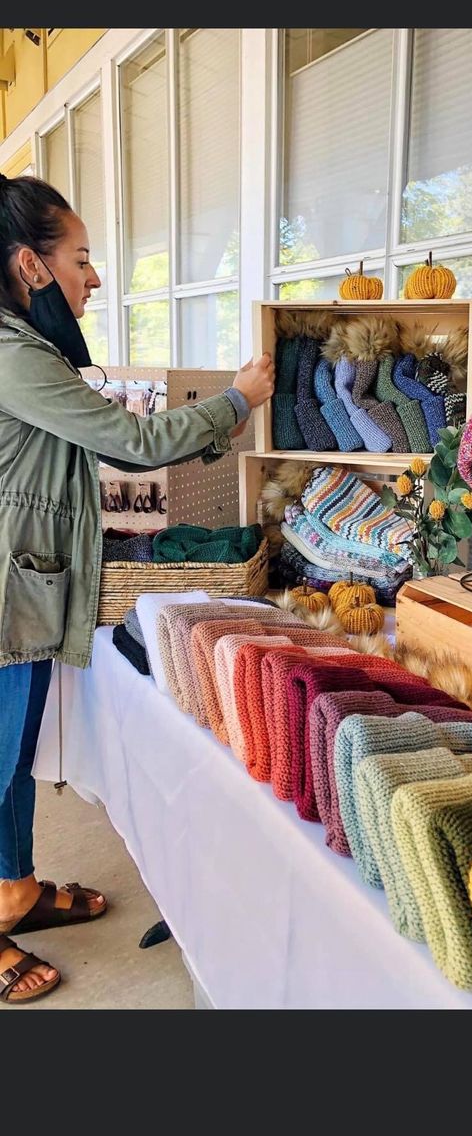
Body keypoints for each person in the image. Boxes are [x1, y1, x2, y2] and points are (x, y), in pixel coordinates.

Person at [0, 173, 274, 1003]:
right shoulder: (11, 354)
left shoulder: (29, 350)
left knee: (11, 758)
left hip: (24, 592)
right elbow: (130, 441)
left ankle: (11, 888)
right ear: (30, 266)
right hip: (5, 601)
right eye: (80, 258)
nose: (94, 278)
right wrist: (238, 401)